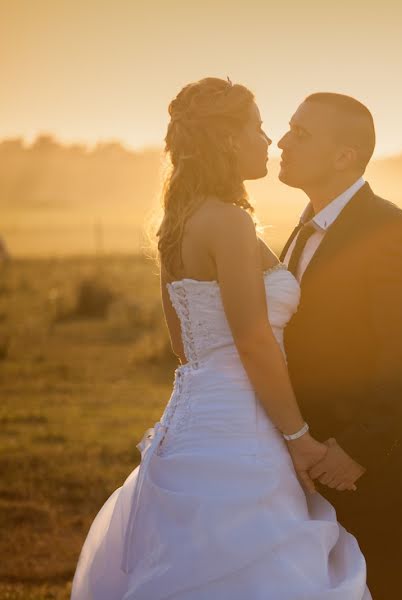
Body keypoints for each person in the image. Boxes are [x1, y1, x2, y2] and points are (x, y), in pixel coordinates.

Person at [71, 78, 369, 599]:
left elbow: (185, 344)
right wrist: (298, 440)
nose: (269, 139)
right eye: (257, 127)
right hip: (241, 432)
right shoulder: (229, 223)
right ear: (229, 140)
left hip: (189, 426)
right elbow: (253, 342)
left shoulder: (177, 222)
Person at [278, 92, 402, 599]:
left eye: (300, 134)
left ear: (344, 156)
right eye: (287, 129)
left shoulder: (392, 231)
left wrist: (356, 450)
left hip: (377, 473)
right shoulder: (303, 229)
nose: (282, 143)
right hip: (311, 466)